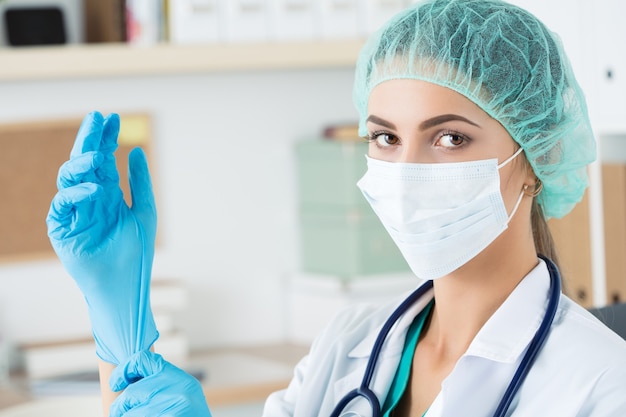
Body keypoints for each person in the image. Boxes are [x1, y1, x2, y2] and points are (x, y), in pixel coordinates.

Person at [46, 0, 626, 416]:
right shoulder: (350, 345)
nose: (406, 172)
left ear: (538, 153)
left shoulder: (602, 385)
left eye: (449, 138)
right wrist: (120, 330)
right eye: (384, 138)